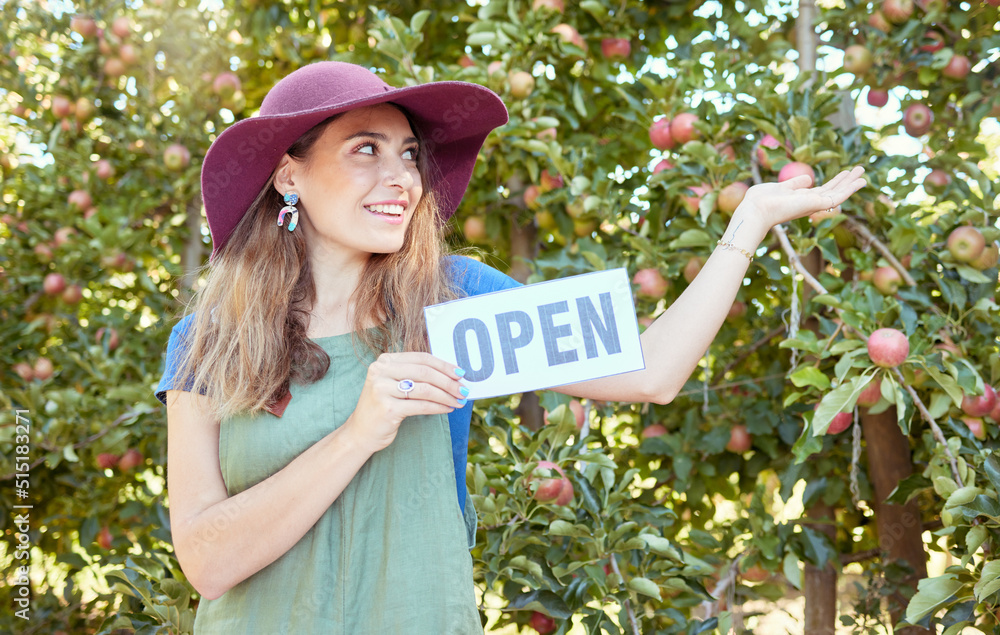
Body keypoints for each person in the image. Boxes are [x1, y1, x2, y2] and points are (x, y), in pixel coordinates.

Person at [155, 61, 866, 633]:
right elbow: (207, 561)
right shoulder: (208, 343)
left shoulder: (451, 300)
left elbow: (652, 372)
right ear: (289, 174)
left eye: (409, 154)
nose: (400, 176)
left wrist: (748, 222)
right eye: (364, 149)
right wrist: (358, 433)